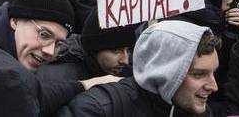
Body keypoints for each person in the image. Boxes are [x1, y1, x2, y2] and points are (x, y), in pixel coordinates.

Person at [57, 21, 221, 116]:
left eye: (213, 73)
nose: (213, 86)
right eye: (199, 74)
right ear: (165, 71)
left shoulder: (200, 112)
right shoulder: (100, 108)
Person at [35, 12, 136, 83]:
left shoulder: (126, 74)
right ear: (93, 49)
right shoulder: (58, 80)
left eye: (128, 50)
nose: (125, 61)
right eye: (116, 50)